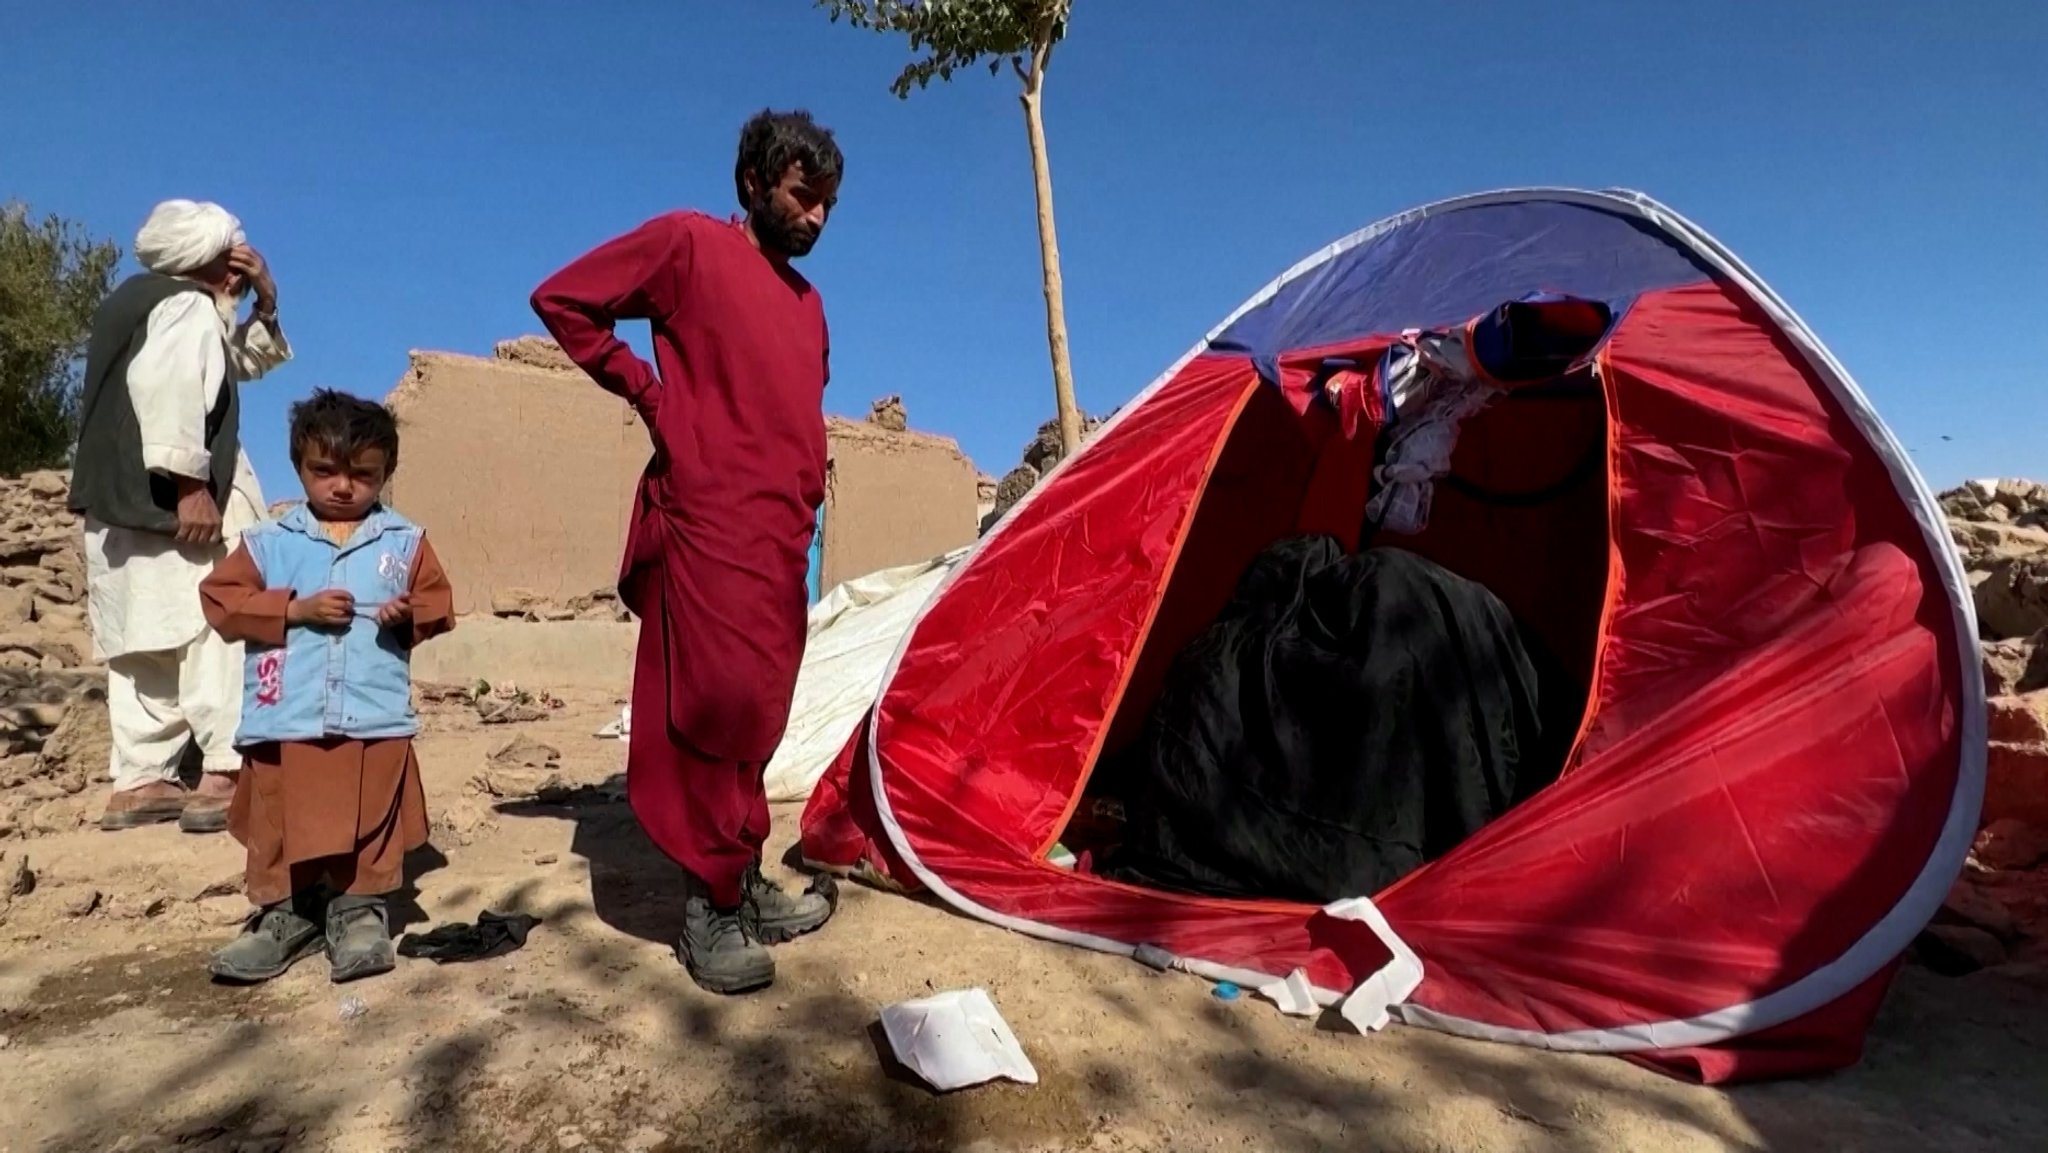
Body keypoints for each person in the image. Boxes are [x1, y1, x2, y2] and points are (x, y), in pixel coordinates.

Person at [530, 108, 843, 994]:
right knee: (710, 709)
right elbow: (565, 299)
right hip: (706, 521)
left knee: (759, 714)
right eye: (802, 195)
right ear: (752, 183)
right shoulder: (689, 246)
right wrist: (651, 393)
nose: (816, 217)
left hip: (781, 537)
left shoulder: (810, 305)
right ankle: (707, 904)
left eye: (828, 204)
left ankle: (739, 876)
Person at [197, 390, 454, 984]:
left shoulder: (405, 543)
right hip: (285, 711)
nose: (343, 487)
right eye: (325, 471)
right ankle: (283, 915)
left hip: (371, 714)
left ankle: (359, 909)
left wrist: (406, 614)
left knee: (368, 815)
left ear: (384, 474)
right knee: (279, 816)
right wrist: (294, 610)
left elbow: (438, 602)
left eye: (362, 476)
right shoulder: (269, 543)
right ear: (299, 467)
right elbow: (221, 600)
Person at [69, 199, 289, 834]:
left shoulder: (133, 303)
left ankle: (142, 780)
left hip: (118, 510)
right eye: (235, 260)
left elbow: (229, 365)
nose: (241, 273)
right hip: (181, 509)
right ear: (209, 259)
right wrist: (191, 485)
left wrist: (265, 308)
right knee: (214, 627)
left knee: (141, 642)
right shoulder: (187, 305)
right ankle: (223, 772)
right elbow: (168, 390)